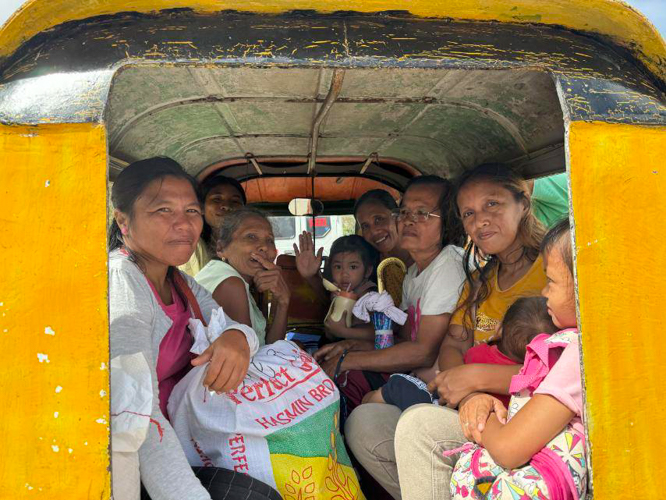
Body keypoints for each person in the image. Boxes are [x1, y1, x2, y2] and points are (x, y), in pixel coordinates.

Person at [349, 164, 548, 500]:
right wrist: (468, 390)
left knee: (419, 425)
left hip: (521, 415)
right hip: (470, 402)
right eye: (469, 212)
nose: (479, 220)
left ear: (523, 202)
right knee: (364, 423)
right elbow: (453, 344)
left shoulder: (551, 271)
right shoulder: (485, 277)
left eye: (492, 205)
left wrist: (477, 379)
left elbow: (566, 365)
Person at [108, 157, 279, 500]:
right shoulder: (123, 282)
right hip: (142, 458)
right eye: (163, 211)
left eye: (191, 211)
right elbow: (138, 415)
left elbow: (236, 330)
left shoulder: (181, 281)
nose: (183, 224)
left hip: (189, 435)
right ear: (123, 222)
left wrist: (235, 337)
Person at [447, 218, 586, 500]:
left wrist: (483, 416)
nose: (544, 292)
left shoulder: (576, 355)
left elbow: (509, 449)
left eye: (551, 281)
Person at [314, 175, 465, 416]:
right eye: (404, 212)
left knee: (346, 378)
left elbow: (423, 352)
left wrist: (348, 360)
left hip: (440, 388)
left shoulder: (449, 264)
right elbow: (403, 339)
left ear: (448, 221)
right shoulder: (415, 271)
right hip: (414, 376)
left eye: (422, 213)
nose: (408, 221)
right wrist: (349, 346)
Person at [362, 296, 556, 411]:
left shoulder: (477, 355)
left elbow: (453, 379)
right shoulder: (536, 373)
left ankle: (374, 397)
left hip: (452, 409)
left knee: (401, 384)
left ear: (498, 329)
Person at [195, 207, 290, 346]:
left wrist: (283, 301)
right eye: (251, 237)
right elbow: (249, 360)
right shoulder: (231, 284)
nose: (264, 246)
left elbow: (272, 348)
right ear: (221, 248)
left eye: (269, 240)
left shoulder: (233, 278)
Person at [181, 174, 246, 276]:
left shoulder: (249, 248)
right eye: (217, 199)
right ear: (201, 208)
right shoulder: (192, 248)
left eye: (235, 201)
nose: (226, 206)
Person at [322, 235, 378, 341]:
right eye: (338, 267)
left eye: (353, 267)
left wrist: (343, 332)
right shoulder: (337, 292)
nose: (344, 275)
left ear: (368, 271)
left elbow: (379, 333)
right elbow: (330, 332)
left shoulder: (370, 296)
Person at [354, 189, 414, 268]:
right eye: (365, 226)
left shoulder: (427, 257)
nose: (373, 231)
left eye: (378, 219)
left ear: (398, 215)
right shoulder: (367, 268)